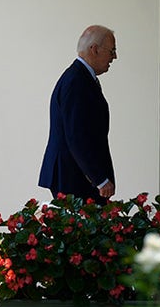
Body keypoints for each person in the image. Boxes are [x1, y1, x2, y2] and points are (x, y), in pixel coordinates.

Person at [38, 25, 118, 201]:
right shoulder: (76, 82)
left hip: (76, 174)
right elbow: (77, 136)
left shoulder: (81, 78)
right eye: (112, 51)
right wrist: (100, 179)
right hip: (74, 177)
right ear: (95, 49)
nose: (115, 57)